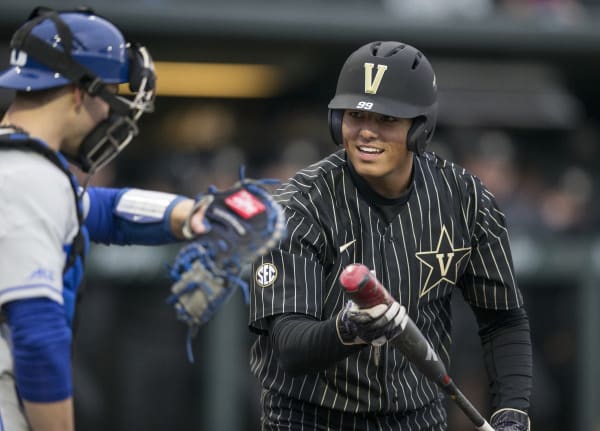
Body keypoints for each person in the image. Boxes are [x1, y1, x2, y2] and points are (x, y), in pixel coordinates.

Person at [249, 41, 532, 430]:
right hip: (309, 417)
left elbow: (502, 320)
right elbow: (290, 346)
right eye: (354, 115)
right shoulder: (297, 206)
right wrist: (347, 328)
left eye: (386, 119)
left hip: (417, 417)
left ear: (420, 128)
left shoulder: (466, 199)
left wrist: (511, 410)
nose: (366, 132)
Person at [0, 7, 208, 431]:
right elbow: (38, 337)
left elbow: (100, 209)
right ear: (80, 93)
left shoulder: (22, 167)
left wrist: (195, 214)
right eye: (108, 98)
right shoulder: (27, 177)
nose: (109, 114)